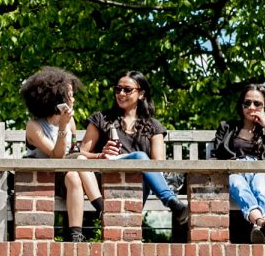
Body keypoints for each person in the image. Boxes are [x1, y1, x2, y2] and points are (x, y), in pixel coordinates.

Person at [78, 71, 189, 240]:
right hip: (107, 178)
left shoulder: (153, 126)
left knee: (142, 162)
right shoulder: (102, 119)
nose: (121, 93)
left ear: (141, 94)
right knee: (140, 157)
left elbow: (158, 165)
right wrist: (101, 155)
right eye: (118, 89)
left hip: (138, 184)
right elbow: (81, 153)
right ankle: (171, 202)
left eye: (127, 90)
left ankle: (126, 229)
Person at [20, 67, 103, 243]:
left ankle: (75, 234)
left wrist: (98, 156)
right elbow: (56, 156)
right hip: (45, 178)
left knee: (73, 175)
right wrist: (63, 126)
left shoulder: (70, 121)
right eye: (69, 94)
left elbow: (73, 151)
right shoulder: (34, 126)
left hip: (68, 174)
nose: (73, 99)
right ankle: (101, 207)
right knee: (77, 163)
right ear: (56, 98)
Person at [210, 84, 265, 243]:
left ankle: (259, 224)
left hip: (261, 172)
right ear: (241, 105)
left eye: (257, 104)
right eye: (247, 103)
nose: (251, 107)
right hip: (235, 172)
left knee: (261, 186)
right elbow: (217, 155)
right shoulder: (227, 128)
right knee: (238, 184)